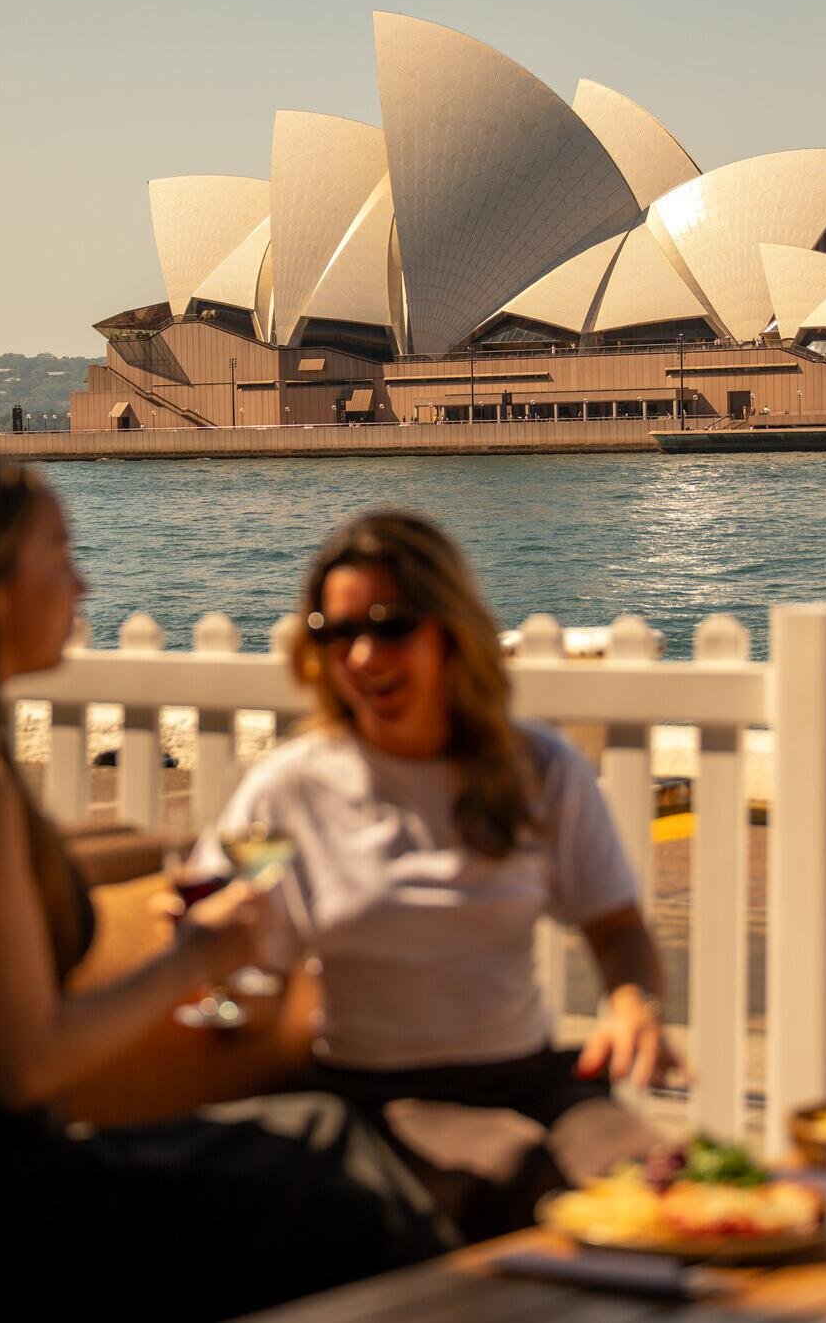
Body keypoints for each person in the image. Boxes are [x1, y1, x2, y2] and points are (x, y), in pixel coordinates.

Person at [0, 453, 452, 1322]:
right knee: (347, 1181)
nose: (83, 582)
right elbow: (23, 1063)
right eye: (59, 555)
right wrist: (198, 956)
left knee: (320, 1142)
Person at [193, 510, 677, 1239]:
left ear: (449, 629)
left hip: (532, 1080)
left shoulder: (538, 768)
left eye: (389, 626)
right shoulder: (287, 790)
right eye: (334, 632)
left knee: (661, 1178)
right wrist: (218, 962)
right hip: (379, 1098)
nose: (360, 656)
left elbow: (614, 926)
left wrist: (633, 1002)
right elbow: (226, 948)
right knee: (514, 1173)